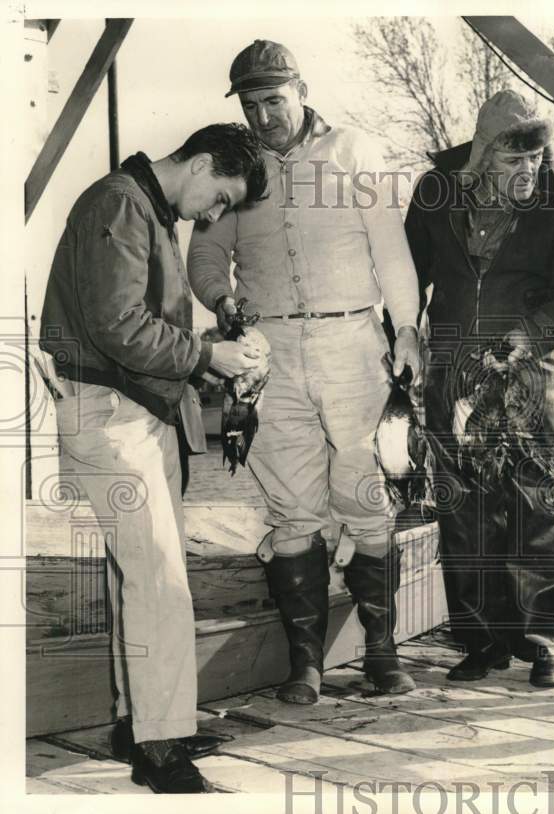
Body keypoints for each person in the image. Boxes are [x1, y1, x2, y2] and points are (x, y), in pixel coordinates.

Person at [188, 40, 423, 703]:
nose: (264, 116)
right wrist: (222, 301)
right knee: (292, 508)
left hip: (353, 340)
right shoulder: (236, 165)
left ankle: (381, 652)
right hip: (268, 354)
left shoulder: (354, 150)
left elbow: (391, 248)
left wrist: (405, 327)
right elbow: (205, 253)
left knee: (367, 494)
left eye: (275, 100)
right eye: (251, 104)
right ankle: (306, 663)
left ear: (301, 89)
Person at [40, 123, 268, 793]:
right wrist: (206, 356)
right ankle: (160, 744)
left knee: (136, 575)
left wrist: (211, 346)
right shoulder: (120, 203)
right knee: (161, 577)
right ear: (199, 165)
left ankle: (139, 719)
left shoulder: (142, 207)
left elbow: (136, 322)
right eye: (220, 198)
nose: (215, 215)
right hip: (111, 414)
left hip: (139, 410)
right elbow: (115, 327)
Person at [404, 89, 554, 688]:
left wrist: (528, 337)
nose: (530, 172)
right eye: (515, 162)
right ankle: (480, 639)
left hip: (535, 373)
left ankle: (544, 642)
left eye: (537, 160)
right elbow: (405, 276)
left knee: (537, 504)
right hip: (455, 368)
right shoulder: (436, 195)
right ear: (484, 156)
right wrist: (407, 338)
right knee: (464, 509)